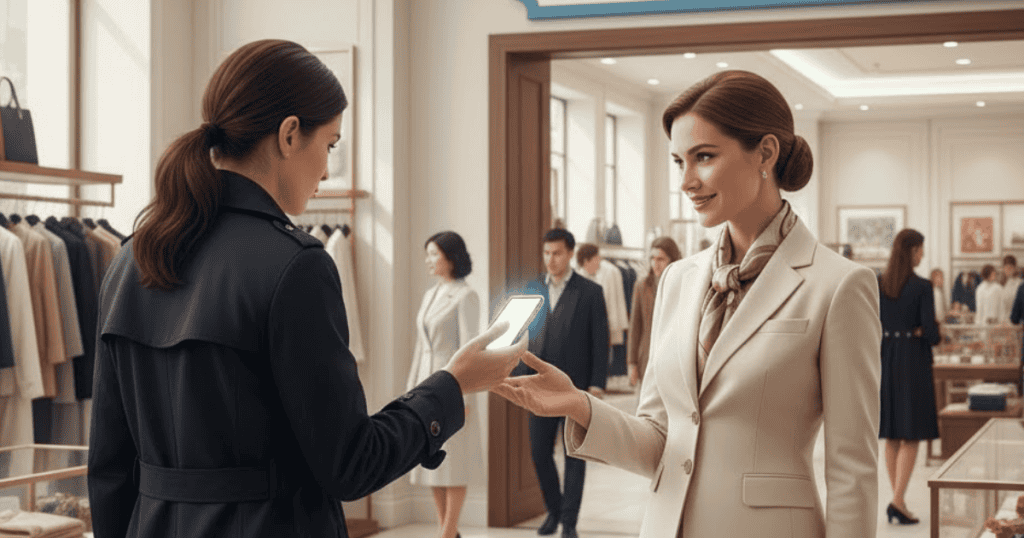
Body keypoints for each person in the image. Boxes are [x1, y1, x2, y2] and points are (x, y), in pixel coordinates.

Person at [87, 40, 524, 538]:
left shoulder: (131, 258)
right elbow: (352, 464)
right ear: (290, 134)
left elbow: (108, 467)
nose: (326, 170)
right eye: (331, 145)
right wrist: (453, 384)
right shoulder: (295, 266)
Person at [494, 70, 881, 537]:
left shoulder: (839, 285)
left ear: (765, 152)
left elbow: (851, 469)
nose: (687, 181)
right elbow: (659, 438)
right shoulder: (678, 279)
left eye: (704, 157)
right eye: (679, 161)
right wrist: (579, 406)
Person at [515, 228, 609, 538]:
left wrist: (597, 384)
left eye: (556, 253)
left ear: (570, 253)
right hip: (537, 386)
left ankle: (569, 522)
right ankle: (553, 511)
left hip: (575, 388)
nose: (550, 259)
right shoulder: (531, 290)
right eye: (546, 253)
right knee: (539, 452)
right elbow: (517, 337)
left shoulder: (590, 292)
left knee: (574, 455)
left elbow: (600, 340)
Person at [406, 231, 482, 538]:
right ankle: (446, 530)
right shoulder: (430, 294)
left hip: (451, 384)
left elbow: (470, 351)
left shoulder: (466, 296)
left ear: (451, 258)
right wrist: (410, 390)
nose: (428, 260)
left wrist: (466, 397)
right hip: (425, 383)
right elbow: (419, 346)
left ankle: (447, 532)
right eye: (428, 254)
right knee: (431, 457)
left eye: (434, 254)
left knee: (454, 460)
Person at [877, 228, 940, 525]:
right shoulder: (922, 286)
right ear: (912, 250)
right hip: (912, 360)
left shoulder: (879, 283)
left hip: (886, 358)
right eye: (921, 249)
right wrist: (920, 331)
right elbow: (932, 333)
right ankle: (898, 500)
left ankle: (897, 499)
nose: (923, 255)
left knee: (891, 433)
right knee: (911, 433)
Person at [626, 237, 681, 387]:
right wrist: (632, 363)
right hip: (647, 357)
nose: (655, 264)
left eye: (660, 259)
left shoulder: (681, 285)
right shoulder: (642, 286)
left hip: (674, 358)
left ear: (672, 259)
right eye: (652, 258)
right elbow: (635, 326)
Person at [1001, 255, 1022, 322]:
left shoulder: (1019, 284)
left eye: (1010, 268)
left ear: (1015, 268)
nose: (1007, 270)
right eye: (1005, 268)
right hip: (1004, 321)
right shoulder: (1003, 284)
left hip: (1016, 321)